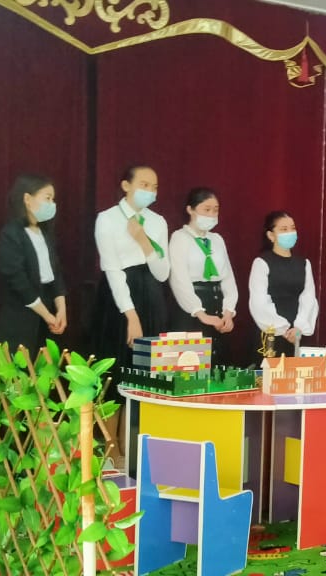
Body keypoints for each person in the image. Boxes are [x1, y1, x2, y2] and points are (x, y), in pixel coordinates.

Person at [92, 164, 170, 464]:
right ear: (126, 185)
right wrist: (131, 316)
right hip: (118, 300)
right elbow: (112, 269)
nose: (150, 191)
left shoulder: (157, 221)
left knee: (142, 377)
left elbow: (162, 273)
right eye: (144, 184)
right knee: (114, 374)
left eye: (154, 187)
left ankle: (132, 449)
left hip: (151, 295)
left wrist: (144, 241)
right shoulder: (107, 219)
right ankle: (110, 449)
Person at [0, 173, 67, 358]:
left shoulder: (45, 233)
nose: (52, 204)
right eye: (47, 198)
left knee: (45, 368)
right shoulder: (11, 234)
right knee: (19, 368)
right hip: (21, 316)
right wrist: (47, 315)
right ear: (27, 199)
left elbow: (56, 273)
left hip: (48, 315)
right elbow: (18, 280)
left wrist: (61, 310)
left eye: (53, 199)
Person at [168, 187, 239, 363]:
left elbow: (228, 277)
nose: (212, 215)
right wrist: (200, 313)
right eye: (206, 209)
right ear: (190, 209)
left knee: (217, 363)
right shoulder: (180, 238)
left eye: (215, 210)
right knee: (191, 364)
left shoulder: (217, 240)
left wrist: (228, 312)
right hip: (191, 309)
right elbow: (179, 280)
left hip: (217, 307)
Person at [248, 211, 317, 360]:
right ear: (271, 235)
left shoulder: (304, 263)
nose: (290, 233)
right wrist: (283, 328)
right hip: (271, 330)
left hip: (297, 332)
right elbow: (259, 302)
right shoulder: (261, 263)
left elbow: (309, 298)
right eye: (284, 229)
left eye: (292, 228)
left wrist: (299, 328)